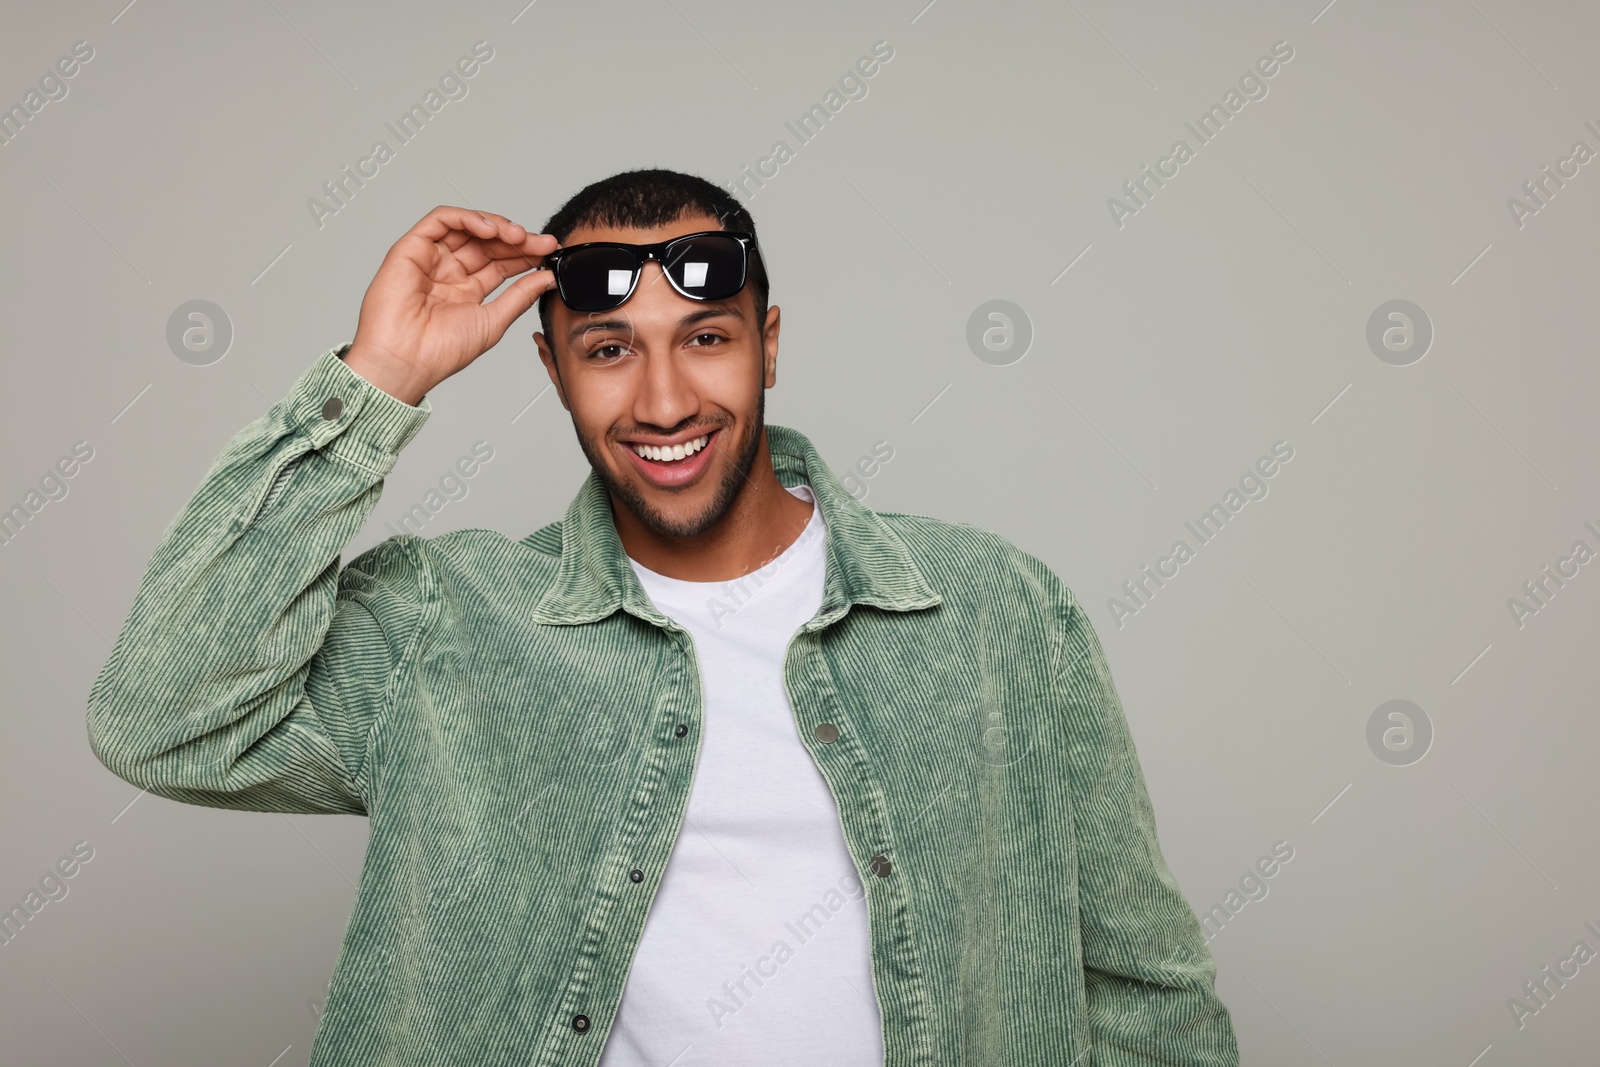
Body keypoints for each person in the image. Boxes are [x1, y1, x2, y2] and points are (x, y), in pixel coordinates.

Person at [86, 168, 1239, 1066]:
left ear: (767, 343)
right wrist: (378, 378)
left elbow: (1141, 988)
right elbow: (163, 715)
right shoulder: (451, 623)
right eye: (607, 351)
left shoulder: (993, 610)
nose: (664, 400)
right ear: (549, 368)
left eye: (705, 338)